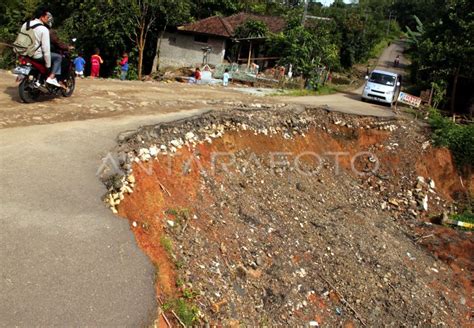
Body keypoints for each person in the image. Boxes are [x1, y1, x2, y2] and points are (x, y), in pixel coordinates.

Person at [22, 8, 62, 87]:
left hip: (23, 52)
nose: (48, 19)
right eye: (47, 17)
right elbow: (46, 49)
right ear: (42, 17)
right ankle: (51, 78)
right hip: (36, 55)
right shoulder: (43, 29)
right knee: (58, 57)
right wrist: (48, 66)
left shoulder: (26, 24)